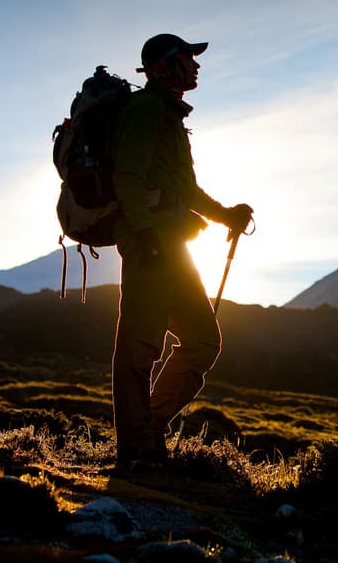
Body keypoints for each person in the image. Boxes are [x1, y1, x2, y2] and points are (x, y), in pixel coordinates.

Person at [109, 33, 253, 468]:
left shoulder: (168, 116)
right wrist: (146, 235)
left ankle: (147, 433)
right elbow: (127, 176)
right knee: (140, 346)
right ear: (162, 66)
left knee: (202, 341)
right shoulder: (146, 110)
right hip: (152, 244)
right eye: (187, 58)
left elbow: (184, 189)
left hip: (171, 244)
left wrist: (226, 215)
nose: (195, 65)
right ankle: (138, 448)